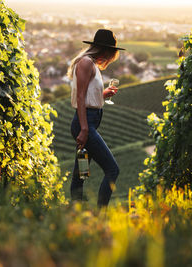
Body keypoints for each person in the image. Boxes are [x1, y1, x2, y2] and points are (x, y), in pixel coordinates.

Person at [67, 29, 125, 208]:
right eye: (111, 52)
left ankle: (77, 213)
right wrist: (84, 129)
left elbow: (88, 95)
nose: (110, 57)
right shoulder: (85, 63)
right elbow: (80, 98)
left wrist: (103, 94)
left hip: (89, 121)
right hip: (85, 123)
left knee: (81, 173)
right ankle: (101, 216)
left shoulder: (91, 64)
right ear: (104, 50)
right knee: (112, 169)